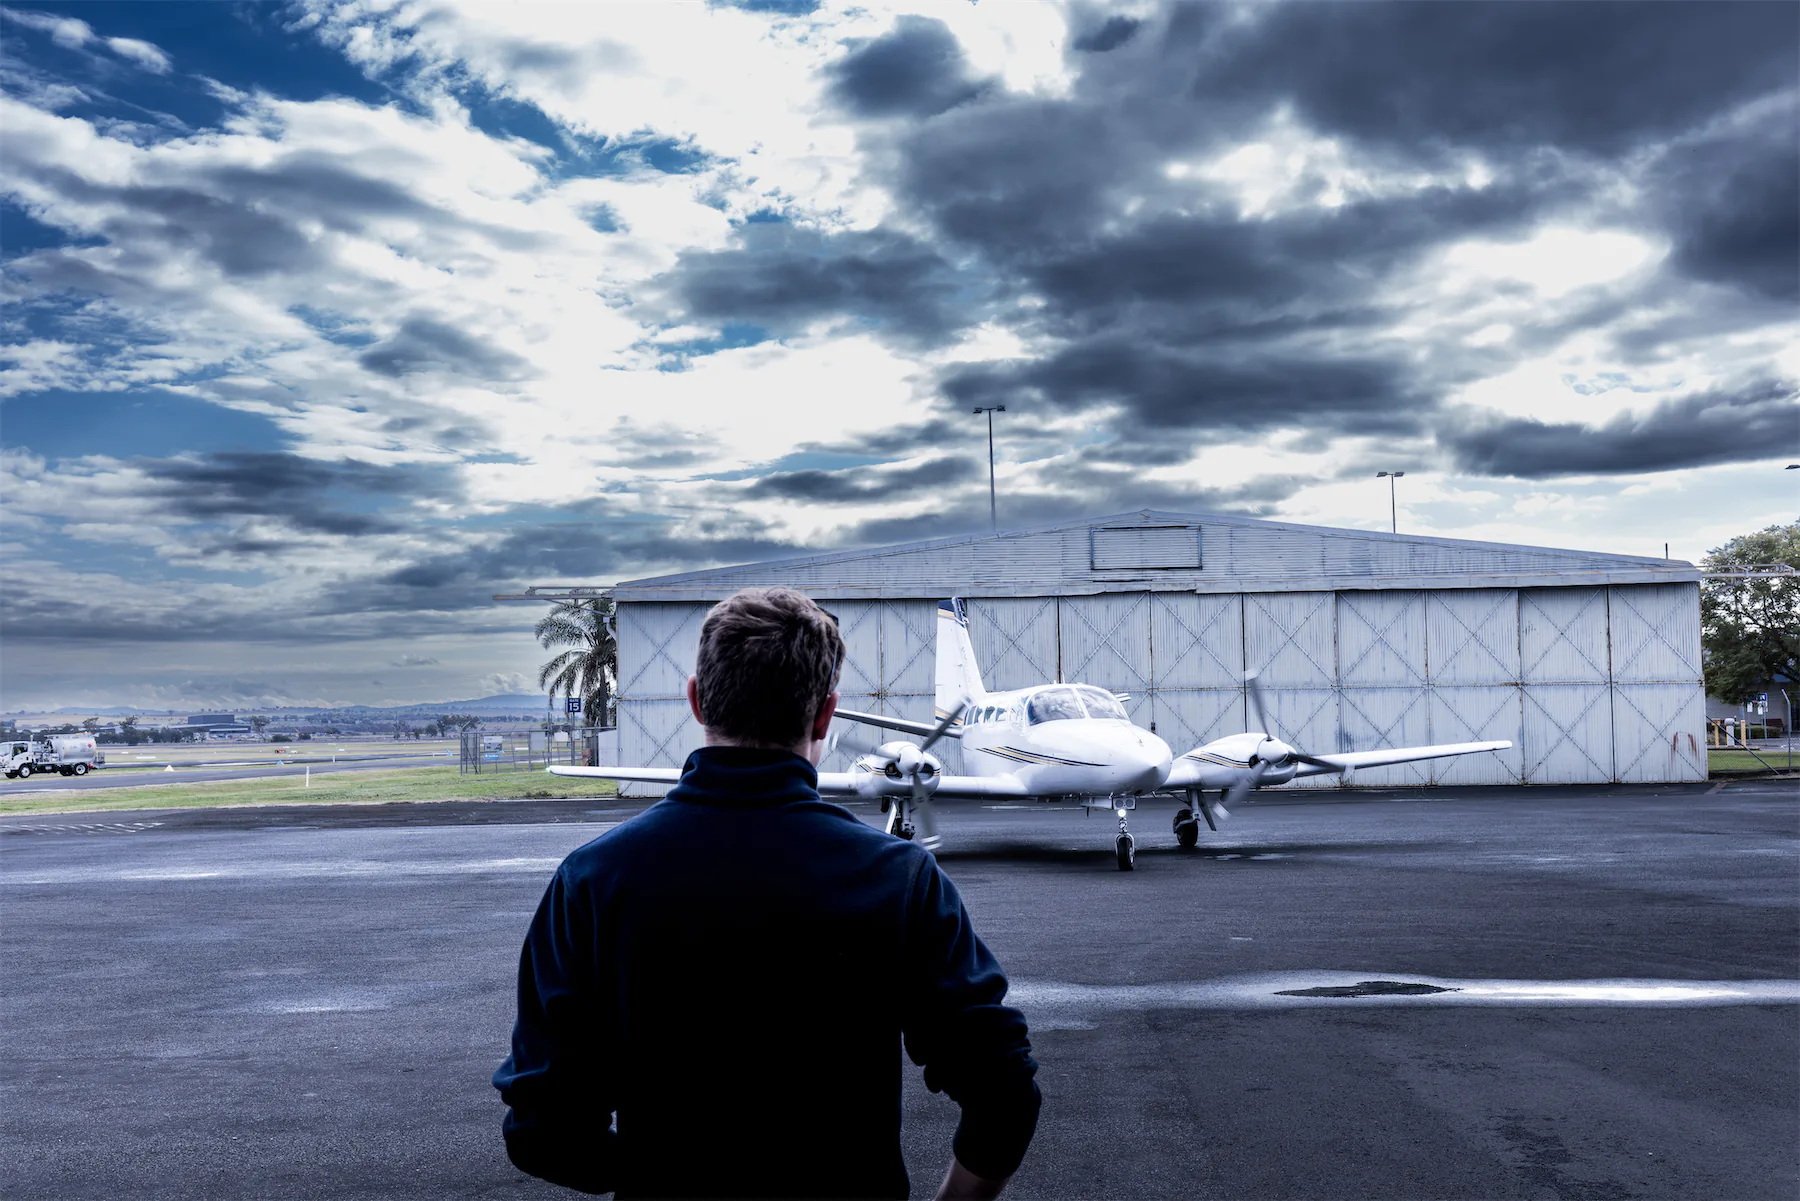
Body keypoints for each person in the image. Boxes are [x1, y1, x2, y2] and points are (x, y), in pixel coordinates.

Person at [494, 586, 1041, 1200]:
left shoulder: (591, 879)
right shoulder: (902, 879)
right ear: (826, 715)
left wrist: (661, 1175)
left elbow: (541, 1131)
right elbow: (1004, 1092)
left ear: (697, 701)